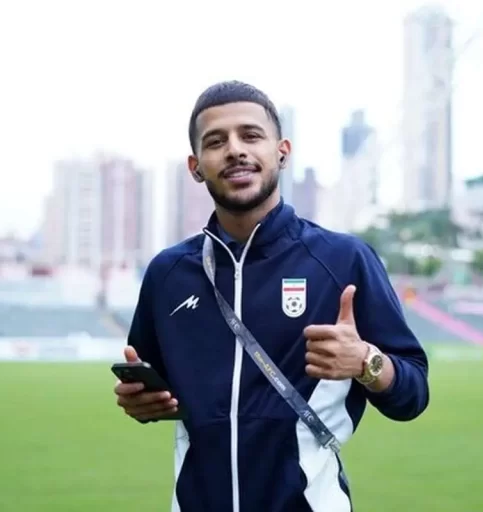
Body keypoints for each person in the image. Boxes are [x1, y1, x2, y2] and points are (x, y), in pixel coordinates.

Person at [114, 80, 429, 512]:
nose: (235, 150)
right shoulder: (168, 274)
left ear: (282, 151)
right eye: (216, 141)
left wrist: (365, 362)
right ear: (195, 166)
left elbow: (413, 394)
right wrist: (141, 402)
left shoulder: (343, 260)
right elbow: (153, 390)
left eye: (251, 135)